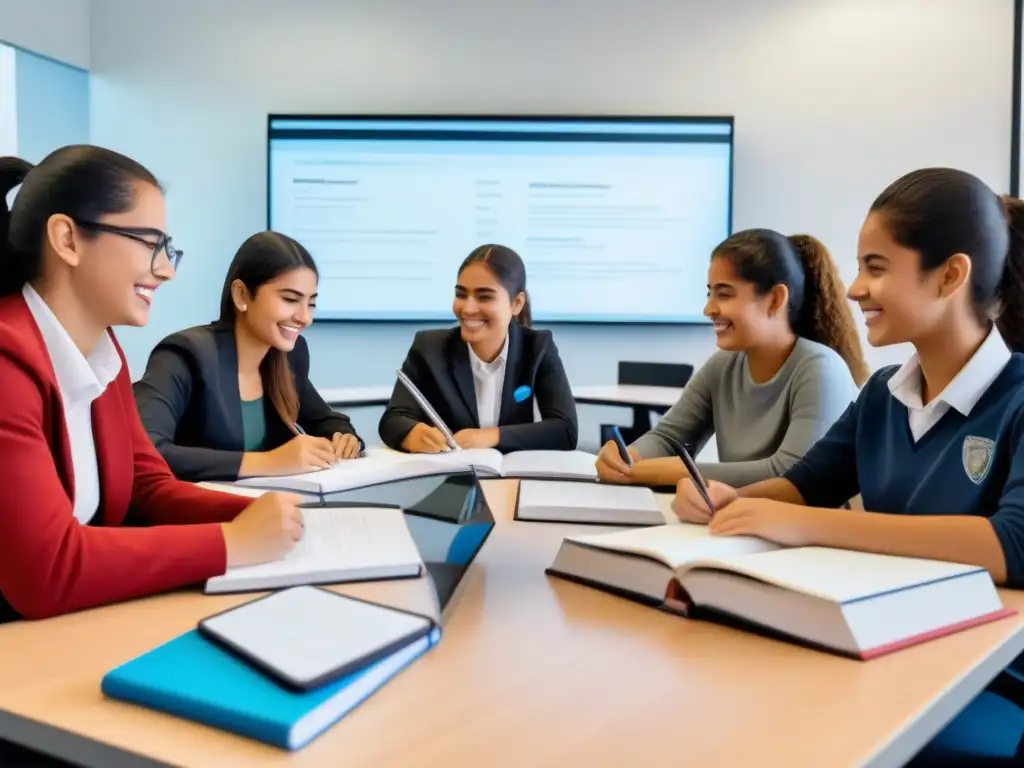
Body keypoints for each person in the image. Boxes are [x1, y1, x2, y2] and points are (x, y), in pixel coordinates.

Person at [672, 171, 1024, 763]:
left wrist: (808, 524)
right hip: (884, 651)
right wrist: (735, 501)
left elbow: (1010, 545)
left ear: (951, 275)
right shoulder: (885, 392)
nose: (855, 288)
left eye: (877, 267)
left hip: (980, 683)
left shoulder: (1016, 395)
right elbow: (805, 486)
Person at [0, 146, 305, 622]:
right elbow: (47, 571)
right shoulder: (6, 364)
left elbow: (147, 487)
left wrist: (253, 514)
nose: (166, 269)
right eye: (149, 243)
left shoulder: (104, 353)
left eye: (167, 248)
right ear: (67, 239)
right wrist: (231, 542)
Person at [596, 229, 868, 488]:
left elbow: (792, 472)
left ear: (775, 299)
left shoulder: (820, 368)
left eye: (724, 294)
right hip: (747, 524)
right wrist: (625, 456)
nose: (708, 309)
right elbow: (668, 438)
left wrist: (676, 472)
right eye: (709, 293)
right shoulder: (722, 367)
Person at [133, 231, 363, 482]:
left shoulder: (289, 357)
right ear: (241, 295)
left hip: (265, 510)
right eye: (290, 299)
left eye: (311, 304)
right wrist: (269, 461)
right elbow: (145, 451)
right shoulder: (184, 355)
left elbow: (326, 421)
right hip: (195, 514)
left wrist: (344, 438)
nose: (304, 317)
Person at [379, 244, 578, 453]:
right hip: (453, 476)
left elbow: (565, 430)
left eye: (484, 297)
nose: (468, 308)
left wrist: (490, 436)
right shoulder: (429, 347)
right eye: (461, 294)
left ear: (516, 303)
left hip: (514, 475)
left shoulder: (538, 347)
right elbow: (393, 419)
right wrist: (411, 433)